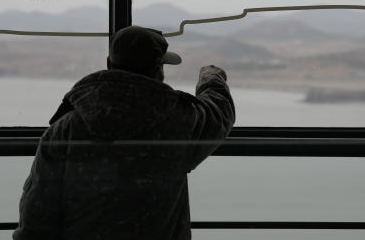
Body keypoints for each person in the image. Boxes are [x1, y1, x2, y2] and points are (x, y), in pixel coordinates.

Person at [13, 26, 235, 240]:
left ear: (109, 64)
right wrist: (211, 78)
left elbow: (36, 213)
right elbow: (218, 114)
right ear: (158, 70)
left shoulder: (65, 130)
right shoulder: (178, 123)